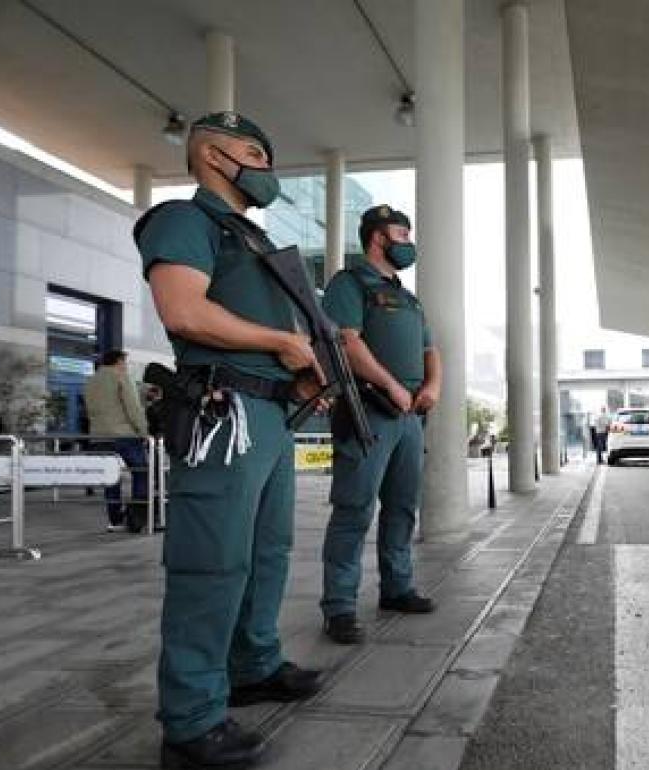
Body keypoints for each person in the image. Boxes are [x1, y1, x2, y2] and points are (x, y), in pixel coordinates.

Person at [135, 111, 324, 769]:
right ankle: (190, 721)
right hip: (226, 412)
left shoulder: (250, 239)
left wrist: (297, 376)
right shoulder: (185, 221)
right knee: (210, 560)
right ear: (213, 155)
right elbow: (184, 310)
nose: (266, 168)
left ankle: (253, 663)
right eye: (254, 153)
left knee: (267, 551)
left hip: (269, 411)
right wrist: (280, 343)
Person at [320, 203, 440, 645]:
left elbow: (432, 348)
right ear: (378, 238)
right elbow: (346, 342)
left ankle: (397, 587)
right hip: (367, 409)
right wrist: (390, 385)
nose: (409, 243)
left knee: (403, 507)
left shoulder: (408, 297)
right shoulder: (349, 284)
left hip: (409, 416)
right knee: (354, 510)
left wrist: (434, 385)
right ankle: (339, 607)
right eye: (402, 235)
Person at [83, 350, 150, 532]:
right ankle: (137, 518)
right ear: (119, 361)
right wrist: (143, 432)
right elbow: (133, 408)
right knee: (142, 471)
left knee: (111, 478)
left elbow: (89, 411)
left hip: (98, 437)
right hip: (124, 435)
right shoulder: (120, 376)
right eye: (125, 362)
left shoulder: (90, 381)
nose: (126, 366)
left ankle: (115, 520)